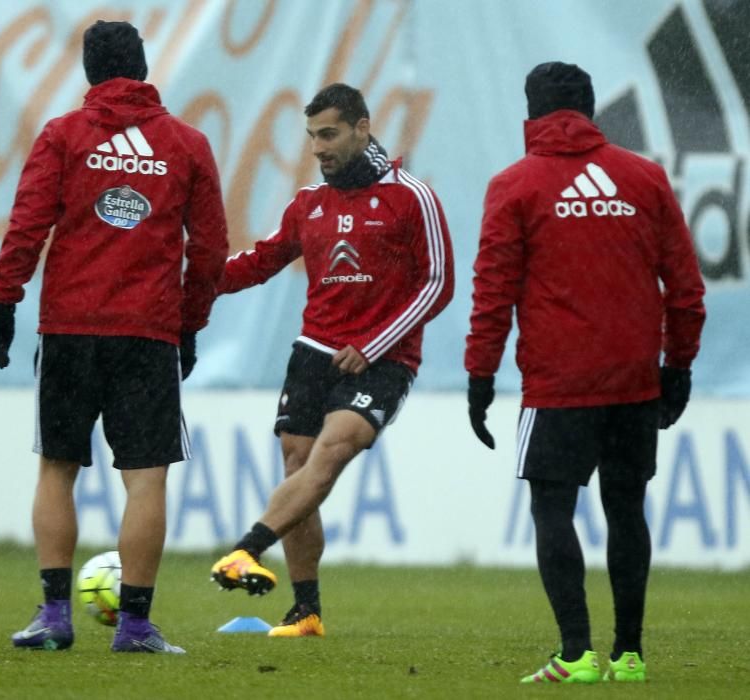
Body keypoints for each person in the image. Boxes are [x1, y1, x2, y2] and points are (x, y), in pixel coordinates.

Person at [0, 20, 228, 653]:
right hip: (147, 332)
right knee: (146, 479)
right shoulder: (187, 144)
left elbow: (28, 224)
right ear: (144, 68)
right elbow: (209, 250)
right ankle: (137, 626)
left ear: (90, 72)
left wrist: (3, 302)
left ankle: (56, 617)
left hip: (69, 327)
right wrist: (190, 323)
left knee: (57, 468)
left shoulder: (64, 135)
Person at [465, 62, 706, 683]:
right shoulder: (644, 177)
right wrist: (676, 367)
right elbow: (684, 287)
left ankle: (576, 655)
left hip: (559, 382)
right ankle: (629, 655)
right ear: (590, 108)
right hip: (633, 379)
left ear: (532, 111)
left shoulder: (515, 185)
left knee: (553, 511)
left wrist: (480, 378)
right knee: (628, 509)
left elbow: (494, 292)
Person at [209, 83, 454, 637]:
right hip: (314, 352)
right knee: (298, 468)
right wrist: (194, 282)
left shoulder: (411, 195)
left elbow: (438, 283)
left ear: (362, 128)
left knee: (333, 449)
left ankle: (248, 549)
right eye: (312, 136)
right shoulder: (309, 204)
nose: (318, 147)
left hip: (381, 359)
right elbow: (260, 261)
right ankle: (307, 611)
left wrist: (374, 345)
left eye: (329, 134)